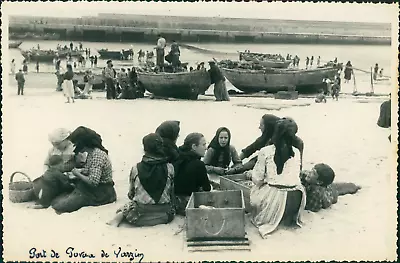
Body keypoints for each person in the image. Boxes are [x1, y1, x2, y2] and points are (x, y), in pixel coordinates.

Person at [247, 119, 306, 238]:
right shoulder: (296, 151)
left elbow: (257, 179)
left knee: (254, 189)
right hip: (296, 200)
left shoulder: (266, 151)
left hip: (275, 201)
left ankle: (270, 217)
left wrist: (254, 176)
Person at [107, 133, 175, 227]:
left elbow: (131, 194)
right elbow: (171, 193)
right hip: (164, 216)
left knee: (129, 205)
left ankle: (117, 218)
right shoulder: (170, 167)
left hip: (139, 217)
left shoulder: (136, 168)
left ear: (144, 149)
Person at [51, 126, 117, 214]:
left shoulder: (97, 155)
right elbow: (91, 171)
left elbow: (93, 182)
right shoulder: (92, 152)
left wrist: (77, 173)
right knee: (61, 197)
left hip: (102, 192)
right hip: (93, 188)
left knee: (60, 205)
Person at [231, 115, 304, 175]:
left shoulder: (274, 143)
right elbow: (248, 150)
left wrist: (239, 168)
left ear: (269, 127)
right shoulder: (265, 137)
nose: (259, 127)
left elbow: (256, 161)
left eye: (261, 125)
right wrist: (237, 163)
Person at [173, 133, 211, 215]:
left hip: (174, 202)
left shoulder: (177, 157)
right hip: (188, 204)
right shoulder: (198, 164)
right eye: (203, 145)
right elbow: (207, 188)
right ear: (194, 147)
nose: (206, 148)